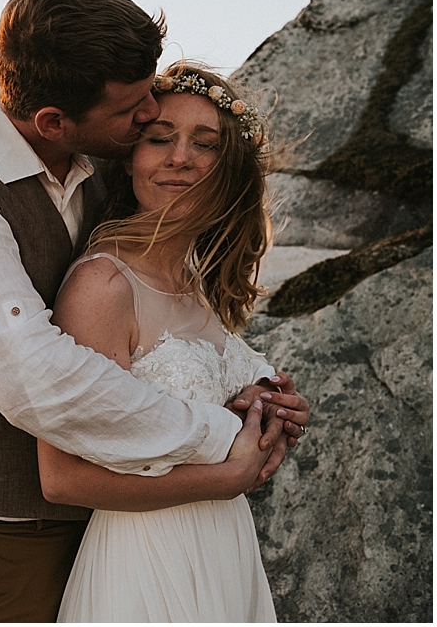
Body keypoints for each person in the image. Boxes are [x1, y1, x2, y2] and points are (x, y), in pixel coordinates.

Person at [0, 0, 308, 622]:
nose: (150, 118)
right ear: (52, 120)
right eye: (134, 109)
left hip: (111, 520)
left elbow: (166, 305)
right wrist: (222, 438)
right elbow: (40, 378)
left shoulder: (97, 153)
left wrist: (251, 387)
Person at [41, 63, 282, 622]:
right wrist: (226, 478)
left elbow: (202, 407)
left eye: (207, 144)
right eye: (160, 139)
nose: (181, 158)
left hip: (223, 544)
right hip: (147, 559)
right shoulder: (103, 286)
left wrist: (266, 405)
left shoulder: (196, 280)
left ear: (229, 169)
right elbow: (62, 476)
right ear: (129, 159)